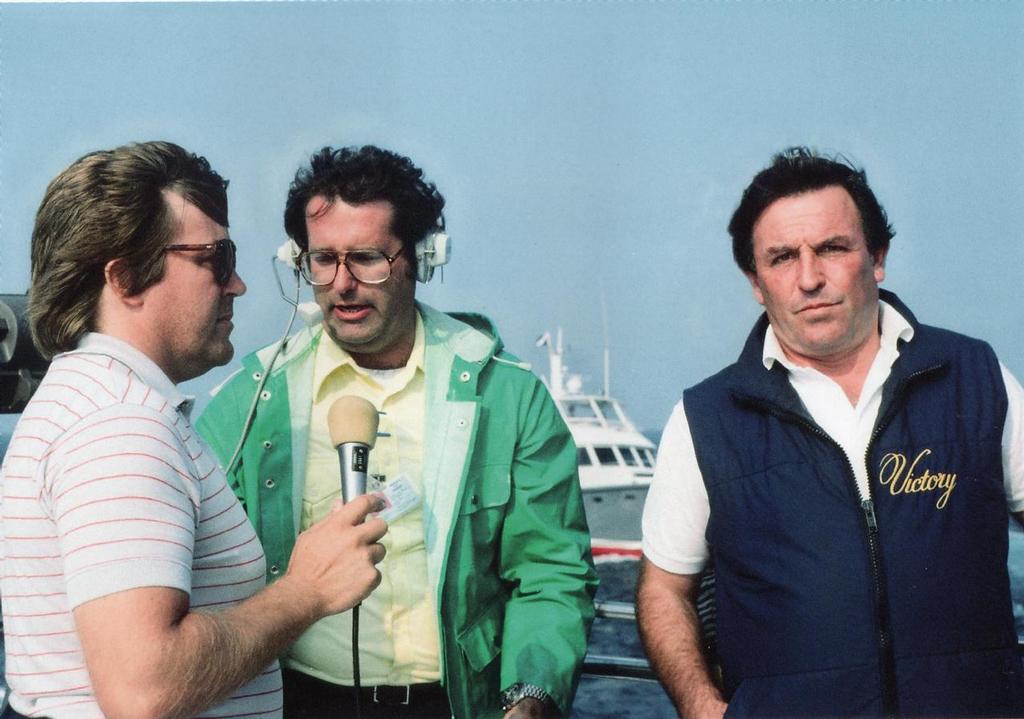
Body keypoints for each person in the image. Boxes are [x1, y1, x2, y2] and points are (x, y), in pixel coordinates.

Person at [196, 144, 597, 719]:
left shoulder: (508, 396)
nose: (342, 284)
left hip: (452, 703)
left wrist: (531, 695)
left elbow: (551, 571)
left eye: (366, 258)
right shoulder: (252, 400)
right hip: (295, 702)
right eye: (322, 260)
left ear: (422, 258)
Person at [0, 141, 387, 719]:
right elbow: (143, 689)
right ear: (126, 277)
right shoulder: (120, 428)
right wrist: (307, 590)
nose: (238, 285)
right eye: (216, 258)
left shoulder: (92, 402)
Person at [636, 147, 1024, 718]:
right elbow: (664, 590)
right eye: (783, 257)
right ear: (755, 280)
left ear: (878, 255)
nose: (810, 278)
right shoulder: (705, 418)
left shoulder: (978, 377)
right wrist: (701, 706)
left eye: (833, 248)